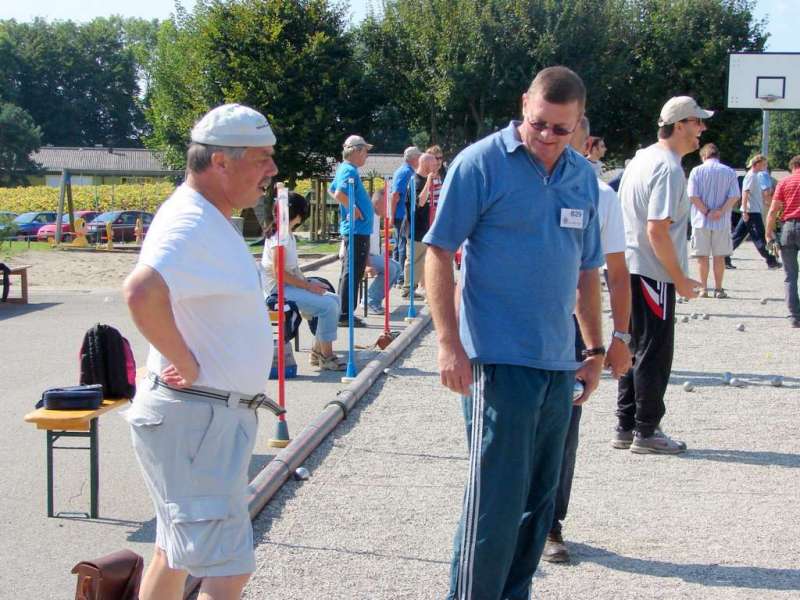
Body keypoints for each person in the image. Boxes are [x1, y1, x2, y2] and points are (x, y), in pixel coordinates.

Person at [424, 66, 605, 600]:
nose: (547, 138)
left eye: (561, 129)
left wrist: (594, 349)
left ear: (579, 125)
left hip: (557, 365)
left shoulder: (581, 178)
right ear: (524, 104)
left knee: (537, 504)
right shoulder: (480, 164)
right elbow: (439, 251)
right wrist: (447, 342)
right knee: (494, 503)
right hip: (498, 362)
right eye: (539, 124)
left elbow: (586, 271)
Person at [122, 103, 282, 600]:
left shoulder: (205, 217)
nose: (272, 170)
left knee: (175, 554)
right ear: (221, 163)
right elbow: (141, 291)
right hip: (199, 420)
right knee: (227, 567)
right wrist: (184, 360)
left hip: (202, 420)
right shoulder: (191, 222)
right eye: (262, 158)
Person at [543, 116, 632, 564]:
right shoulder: (521, 183)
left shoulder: (601, 196)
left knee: (563, 429)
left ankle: (550, 524)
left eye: (568, 129)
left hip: (575, 333)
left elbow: (616, 274)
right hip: (518, 328)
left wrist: (618, 336)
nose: (555, 136)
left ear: (585, 137)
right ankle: (508, 520)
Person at [614, 96, 708, 455]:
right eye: (697, 122)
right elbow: (657, 230)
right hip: (652, 271)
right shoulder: (668, 167)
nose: (702, 129)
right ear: (680, 124)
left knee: (633, 346)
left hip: (630, 267)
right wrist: (680, 277)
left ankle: (626, 424)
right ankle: (646, 429)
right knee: (654, 350)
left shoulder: (642, 157)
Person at [262, 192, 344, 370]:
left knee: (334, 299)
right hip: (278, 292)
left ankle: (317, 352)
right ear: (297, 214)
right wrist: (308, 286)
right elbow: (279, 273)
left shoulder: (287, 234)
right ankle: (326, 356)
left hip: (288, 286)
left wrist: (310, 283)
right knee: (328, 306)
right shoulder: (280, 238)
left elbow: (291, 271)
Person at [329, 134, 375, 327]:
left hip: (357, 229)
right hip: (356, 230)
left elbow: (331, 190)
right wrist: (354, 209)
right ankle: (345, 314)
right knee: (353, 271)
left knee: (352, 270)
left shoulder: (346, 169)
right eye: (365, 151)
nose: (366, 156)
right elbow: (339, 192)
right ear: (356, 150)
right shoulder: (349, 170)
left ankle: (344, 311)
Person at [686, 143, 740, 298]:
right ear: (717, 156)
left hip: (700, 220)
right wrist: (722, 211)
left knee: (702, 257)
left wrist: (707, 211)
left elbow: (692, 195)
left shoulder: (696, 171)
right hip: (722, 221)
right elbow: (735, 195)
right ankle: (718, 289)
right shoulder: (729, 172)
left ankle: (703, 289)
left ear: (704, 156)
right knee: (719, 256)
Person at [730, 154, 781, 270]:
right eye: (764, 164)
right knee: (760, 238)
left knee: (737, 237)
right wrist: (745, 211)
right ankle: (771, 261)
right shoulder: (751, 176)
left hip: (752, 211)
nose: (765, 166)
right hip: (751, 212)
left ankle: (723, 257)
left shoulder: (756, 176)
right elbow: (745, 193)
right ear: (757, 164)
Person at [766, 155, 800, 328]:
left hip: (788, 228)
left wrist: (769, 233)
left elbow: (773, 211)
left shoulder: (784, 183)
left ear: (792, 167)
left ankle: (794, 316)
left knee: (790, 275)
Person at [402, 152, 438, 299]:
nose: (436, 166)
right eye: (433, 164)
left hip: (425, 227)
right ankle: (407, 288)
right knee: (413, 259)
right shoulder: (416, 181)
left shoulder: (424, 180)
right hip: (415, 228)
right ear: (425, 164)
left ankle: (419, 287)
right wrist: (428, 182)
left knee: (423, 260)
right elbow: (420, 202)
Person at [364, 189, 402, 314]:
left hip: (372, 255)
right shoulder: (368, 215)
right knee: (390, 268)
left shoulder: (375, 216)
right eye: (386, 205)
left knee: (396, 267)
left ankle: (375, 300)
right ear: (377, 204)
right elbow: (364, 242)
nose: (388, 208)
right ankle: (370, 301)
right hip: (363, 255)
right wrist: (368, 264)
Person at [390, 146, 422, 284]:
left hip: (401, 214)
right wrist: (391, 215)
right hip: (402, 215)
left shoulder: (405, 171)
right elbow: (395, 195)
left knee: (399, 245)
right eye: (419, 156)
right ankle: (401, 276)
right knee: (403, 245)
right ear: (413, 158)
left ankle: (397, 275)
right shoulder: (406, 173)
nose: (420, 159)